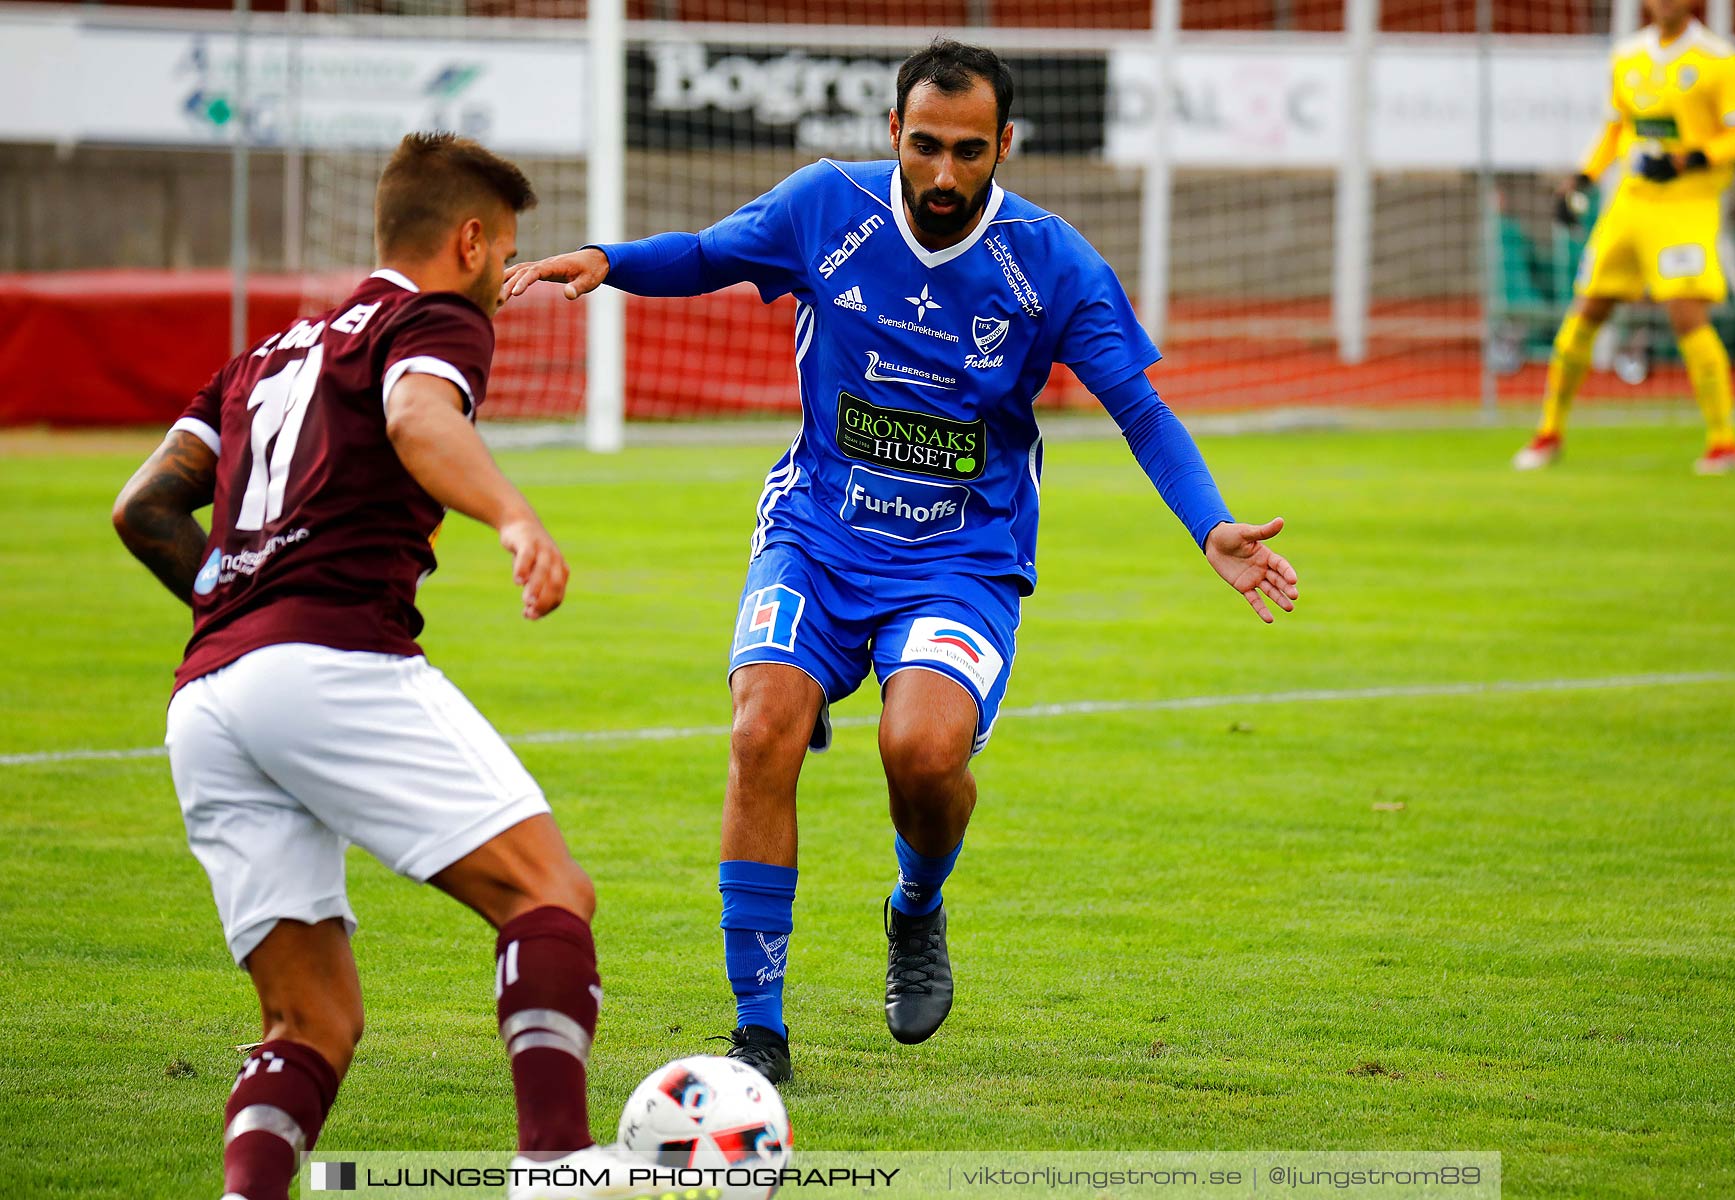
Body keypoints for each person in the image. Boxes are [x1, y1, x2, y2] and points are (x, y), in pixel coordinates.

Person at [501, 39, 1298, 1085]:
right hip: (819, 534)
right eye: (925, 146)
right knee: (760, 728)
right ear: (893, 134)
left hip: (960, 559)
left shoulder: (1051, 262)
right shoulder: (824, 209)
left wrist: (1212, 525)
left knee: (922, 756)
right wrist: (610, 261)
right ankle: (761, 1030)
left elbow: (1140, 411)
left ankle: (915, 907)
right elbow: (708, 254)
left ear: (1005, 145)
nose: (943, 174)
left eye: (970, 152)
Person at [114, 133, 670, 1200]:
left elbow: (141, 508)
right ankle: (555, 1167)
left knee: (309, 1018)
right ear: (471, 241)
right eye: (504, 255)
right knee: (548, 894)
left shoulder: (266, 356)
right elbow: (419, 416)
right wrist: (513, 516)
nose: (505, 283)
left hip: (207, 697)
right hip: (326, 656)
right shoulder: (436, 319)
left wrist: (237, 604)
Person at [1515, 0, 1735, 474]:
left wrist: (1688, 160)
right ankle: (1548, 431)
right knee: (1587, 308)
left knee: (1687, 314)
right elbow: (1615, 128)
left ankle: (1724, 441)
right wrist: (1582, 178)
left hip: (1685, 205)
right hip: (1629, 203)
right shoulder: (1627, 56)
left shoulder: (1717, 58)